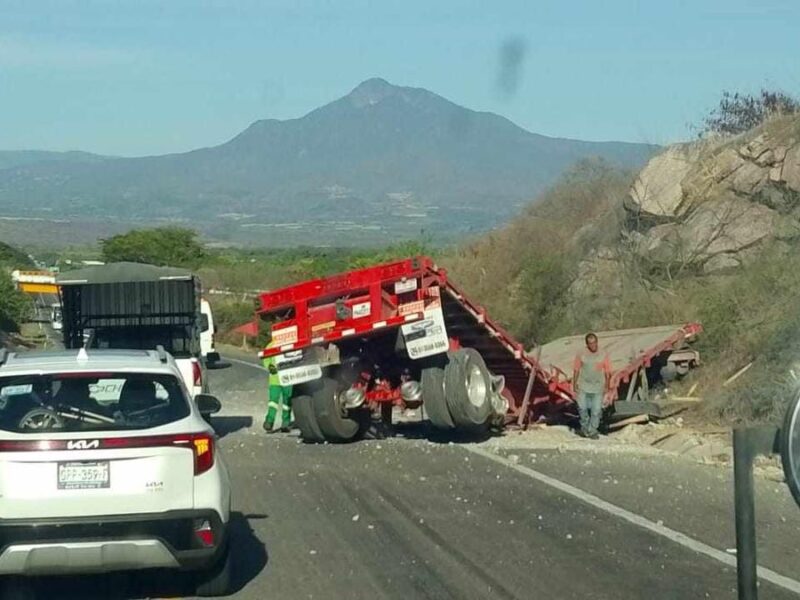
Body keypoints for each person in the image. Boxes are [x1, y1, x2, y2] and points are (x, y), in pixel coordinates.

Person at [572, 332, 611, 439]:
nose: (593, 345)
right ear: (587, 344)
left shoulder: (603, 354)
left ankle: (592, 430)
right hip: (584, 386)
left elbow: (608, 371)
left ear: (597, 342)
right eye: (591, 344)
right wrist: (574, 383)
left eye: (595, 343)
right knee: (582, 408)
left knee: (596, 411)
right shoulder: (581, 354)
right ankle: (585, 428)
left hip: (598, 387)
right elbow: (576, 369)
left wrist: (607, 386)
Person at [262, 342, 293, 433]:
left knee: (287, 401)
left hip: (288, 378)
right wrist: (269, 366)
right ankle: (269, 421)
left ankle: (286, 422)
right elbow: (266, 357)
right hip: (275, 379)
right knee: (273, 401)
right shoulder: (271, 345)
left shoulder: (289, 343)